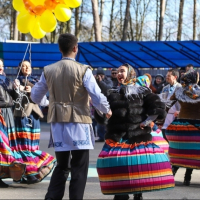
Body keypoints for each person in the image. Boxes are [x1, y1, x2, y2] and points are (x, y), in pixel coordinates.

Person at [30, 33, 111, 200]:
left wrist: (48, 103)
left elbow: (35, 96)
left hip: (59, 122)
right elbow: (96, 96)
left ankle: (52, 198)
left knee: (62, 165)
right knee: (79, 167)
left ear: (60, 49)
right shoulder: (84, 70)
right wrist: (107, 109)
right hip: (79, 121)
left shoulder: (49, 70)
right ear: (75, 48)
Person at [96, 63, 174, 200]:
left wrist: (146, 121)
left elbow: (158, 107)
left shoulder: (142, 91)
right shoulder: (112, 93)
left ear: (131, 73)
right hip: (117, 141)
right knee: (120, 181)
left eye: (122, 71)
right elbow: (104, 117)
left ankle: (138, 195)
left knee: (138, 179)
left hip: (138, 140)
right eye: (117, 71)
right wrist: (98, 110)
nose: (119, 74)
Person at [13, 60, 56, 184]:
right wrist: (20, 89)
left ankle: (32, 172)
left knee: (33, 146)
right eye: (24, 66)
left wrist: (33, 92)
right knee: (23, 146)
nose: (26, 68)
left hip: (35, 117)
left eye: (28, 66)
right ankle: (25, 173)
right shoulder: (16, 81)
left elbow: (43, 102)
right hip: (21, 117)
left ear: (32, 69)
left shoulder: (37, 82)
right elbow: (14, 97)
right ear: (19, 68)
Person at [165, 69, 200, 186]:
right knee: (194, 152)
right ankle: (187, 177)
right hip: (196, 127)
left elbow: (167, 105)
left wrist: (160, 120)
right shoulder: (199, 91)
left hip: (181, 127)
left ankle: (172, 175)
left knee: (180, 151)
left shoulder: (179, 90)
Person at [0, 58, 26, 188]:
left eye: (2, 65)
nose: (1, 68)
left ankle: (4, 175)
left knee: (7, 146)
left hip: (8, 113)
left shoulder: (7, 80)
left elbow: (17, 99)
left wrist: (16, 89)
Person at [161, 69, 181, 141]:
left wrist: (179, 111)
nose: (167, 77)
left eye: (169, 76)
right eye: (166, 75)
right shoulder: (165, 88)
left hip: (177, 114)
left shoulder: (181, 87)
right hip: (167, 114)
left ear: (175, 77)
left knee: (176, 134)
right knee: (164, 132)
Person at [95, 68, 113, 142]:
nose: (100, 77)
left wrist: (101, 81)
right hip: (97, 104)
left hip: (107, 103)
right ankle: (101, 137)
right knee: (99, 121)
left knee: (108, 121)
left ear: (104, 75)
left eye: (101, 75)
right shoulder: (94, 81)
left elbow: (108, 89)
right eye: (98, 75)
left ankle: (108, 136)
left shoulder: (108, 81)